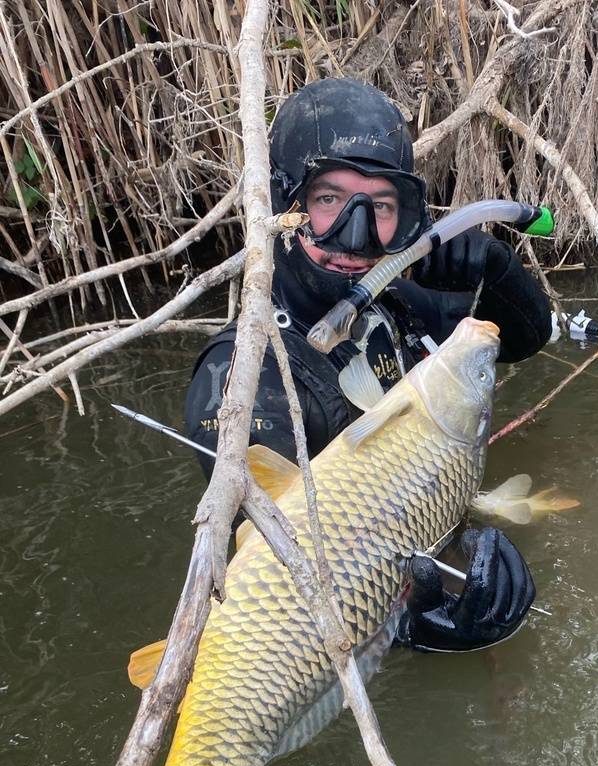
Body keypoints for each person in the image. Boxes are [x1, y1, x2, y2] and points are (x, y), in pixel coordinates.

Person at [185, 78, 552, 652]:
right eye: (329, 199)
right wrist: (423, 630)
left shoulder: (398, 305)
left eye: (380, 206)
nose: (356, 236)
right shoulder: (241, 378)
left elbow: (528, 340)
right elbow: (281, 590)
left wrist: (495, 269)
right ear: (285, 206)